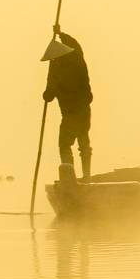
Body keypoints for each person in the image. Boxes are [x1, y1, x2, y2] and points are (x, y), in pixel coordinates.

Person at [42, 27, 92, 180]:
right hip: (84, 111)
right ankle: (86, 176)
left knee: (64, 144)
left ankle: (70, 178)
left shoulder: (57, 71)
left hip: (71, 114)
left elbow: (48, 95)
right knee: (83, 143)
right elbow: (76, 45)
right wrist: (61, 34)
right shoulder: (78, 59)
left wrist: (47, 91)